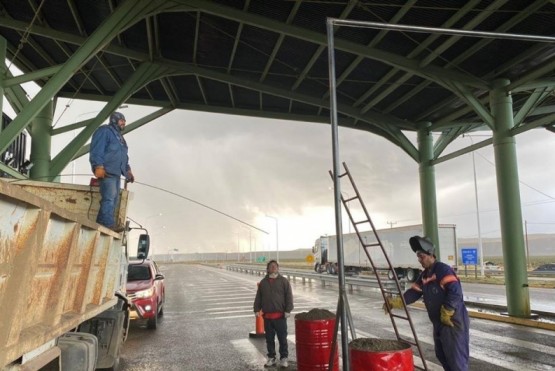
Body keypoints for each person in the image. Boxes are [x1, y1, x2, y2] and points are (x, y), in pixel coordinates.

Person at [384, 236, 470, 371]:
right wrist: (396, 302)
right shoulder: (424, 275)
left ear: (430, 255)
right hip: (438, 322)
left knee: (456, 360)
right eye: (418, 257)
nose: (419, 260)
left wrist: (447, 310)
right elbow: (414, 293)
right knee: (443, 356)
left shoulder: (443, 270)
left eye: (421, 256)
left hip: (452, 322)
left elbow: (455, 292)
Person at [89, 112, 134, 231]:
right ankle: (107, 223)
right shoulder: (104, 131)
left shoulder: (120, 138)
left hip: (116, 173)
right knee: (109, 197)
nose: (124, 123)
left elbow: (124, 156)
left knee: (114, 199)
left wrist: (128, 171)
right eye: (121, 120)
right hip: (106, 171)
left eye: (124, 120)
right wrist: (98, 166)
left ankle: (102, 222)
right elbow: (97, 149)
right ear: (114, 120)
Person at [253, 260, 294, 368]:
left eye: (275, 266)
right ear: (267, 269)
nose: (273, 268)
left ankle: (284, 358)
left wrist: (288, 310)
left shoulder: (284, 281)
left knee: (282, 339)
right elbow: (258, 298)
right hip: (267, 317)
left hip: (280, 317)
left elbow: (289, 297)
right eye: (271, 266)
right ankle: (271, 358)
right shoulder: (263, 283)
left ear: (278, 268)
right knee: (269, 339)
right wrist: (256, 309)